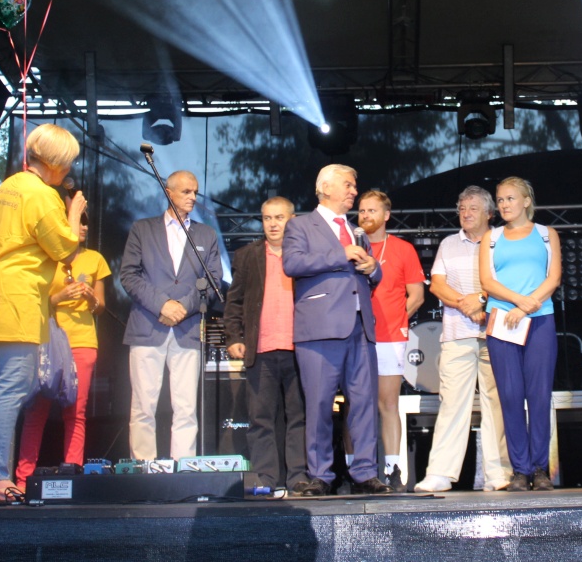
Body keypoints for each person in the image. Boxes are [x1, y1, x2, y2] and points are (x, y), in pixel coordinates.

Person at [0, 124, 86, 502]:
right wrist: (74, 213)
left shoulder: (11, 185)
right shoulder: (42, 195)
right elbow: (65, 248)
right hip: (18, 295)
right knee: (14, 385)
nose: (68, 172)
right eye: (67, 164)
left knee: (9, 384)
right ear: (54, 163)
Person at [281, 164, 390, 496]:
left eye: (354, 186)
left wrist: (373, 268)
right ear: (325, 187)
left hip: (360, 327)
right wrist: (340, 254)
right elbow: (292, 264)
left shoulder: (357, 231)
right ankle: (321, 475)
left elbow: (372, 276)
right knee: (319, 404)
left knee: (365, 403)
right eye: (348, 185)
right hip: (320, 329)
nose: (354, 191)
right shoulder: (300, 225)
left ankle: (365, 472)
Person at [414, 185, 512, 493]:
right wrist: (466, 304)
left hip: (497, 331)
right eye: (462, 208)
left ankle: (498, 473)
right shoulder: (448, 243)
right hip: (457, 333)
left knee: (497, 402)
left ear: (489, 213)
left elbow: (511, 283)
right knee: (452, 403)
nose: (466, 213)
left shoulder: (503, 241)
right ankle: (440, 473)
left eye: (473, 208)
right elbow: (437, 286)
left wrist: (482, 301)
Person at [120, 170, 222, 461]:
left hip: (187, 330)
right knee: (143, 406)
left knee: (186, 408)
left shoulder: (206, 234)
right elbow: (129, 275)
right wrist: (163, 305)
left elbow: (213, 280)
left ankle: (184, 469)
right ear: (169, 192)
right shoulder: (142, 229)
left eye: (195, 192)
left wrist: (183, 308)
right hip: (147, 327)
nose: (192, 197)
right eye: (186, 191)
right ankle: (144, 470)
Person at [14, 214, 110, 490]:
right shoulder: (46, 258)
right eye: (78, 221)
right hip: (47, 339)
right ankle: (23, 481)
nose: (83, 227)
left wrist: (90, 297)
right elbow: (33, 299)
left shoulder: (95, 259)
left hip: (83, 340)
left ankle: (72, 475)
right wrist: (59, 298)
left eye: (86, 222)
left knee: (75, 412)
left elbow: (101, 307)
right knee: (36, 409)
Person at [478, 176, 561, 492]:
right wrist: (517, 302)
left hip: (539, 319)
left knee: (539, 395)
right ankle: (520, 470)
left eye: (510, 198)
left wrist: (527, 307)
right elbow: (487, 281)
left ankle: (540, 468)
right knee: (510, 396)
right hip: (503, 320)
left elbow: (553, 278)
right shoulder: (492, 238)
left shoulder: (546, 234)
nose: (504, 205)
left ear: (527, 201)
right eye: (500, 200)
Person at [224, 196, 308, 495]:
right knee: (260, 419)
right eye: (267, 218)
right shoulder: (248, 255)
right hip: (260, 349)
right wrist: (234, 337)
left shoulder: (305, 254)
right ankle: (265, 478)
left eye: (279, 218)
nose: (272, 224)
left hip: (300, 349)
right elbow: (234, 301)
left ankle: (298, 476)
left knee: (299, 417)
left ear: (292, 220)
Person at [356, 189, 425, 490]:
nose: (365, 215)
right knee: (355, 404)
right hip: (355, 336)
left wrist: (396, 319)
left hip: (389, 336)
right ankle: (355, 471)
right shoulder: (349, 247)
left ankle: (392, 469)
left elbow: (417, 295)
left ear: (386, 215)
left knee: (388, 402)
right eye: (362, 210)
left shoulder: (403, 249)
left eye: (372, 210)